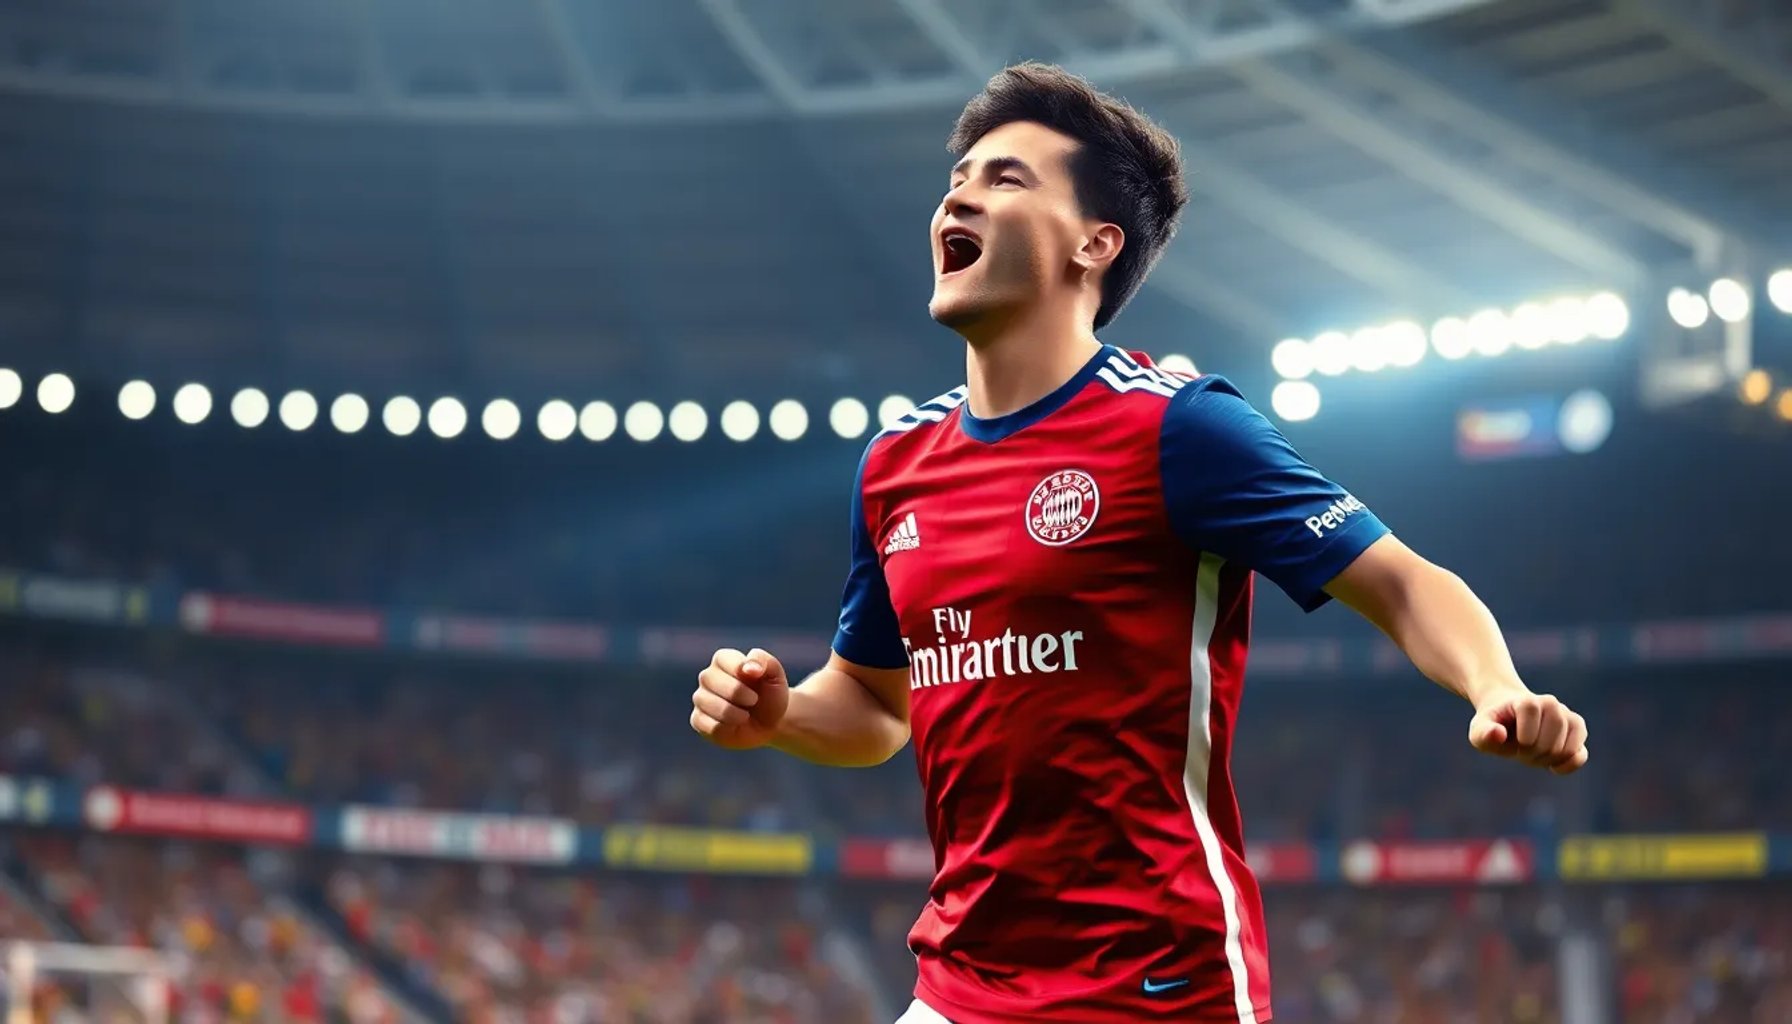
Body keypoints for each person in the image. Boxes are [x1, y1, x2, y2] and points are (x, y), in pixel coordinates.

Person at [690, 62, 1589, 1024]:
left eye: (1007, 178)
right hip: (961, 986)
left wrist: (1496, 685)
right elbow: (875, 702)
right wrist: (779, 714)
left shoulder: (1180, 430)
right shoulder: (896, 463)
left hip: (1158, 988)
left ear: (1095, 243)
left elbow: (1402, 583)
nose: (961, 192)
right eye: (959, 177)